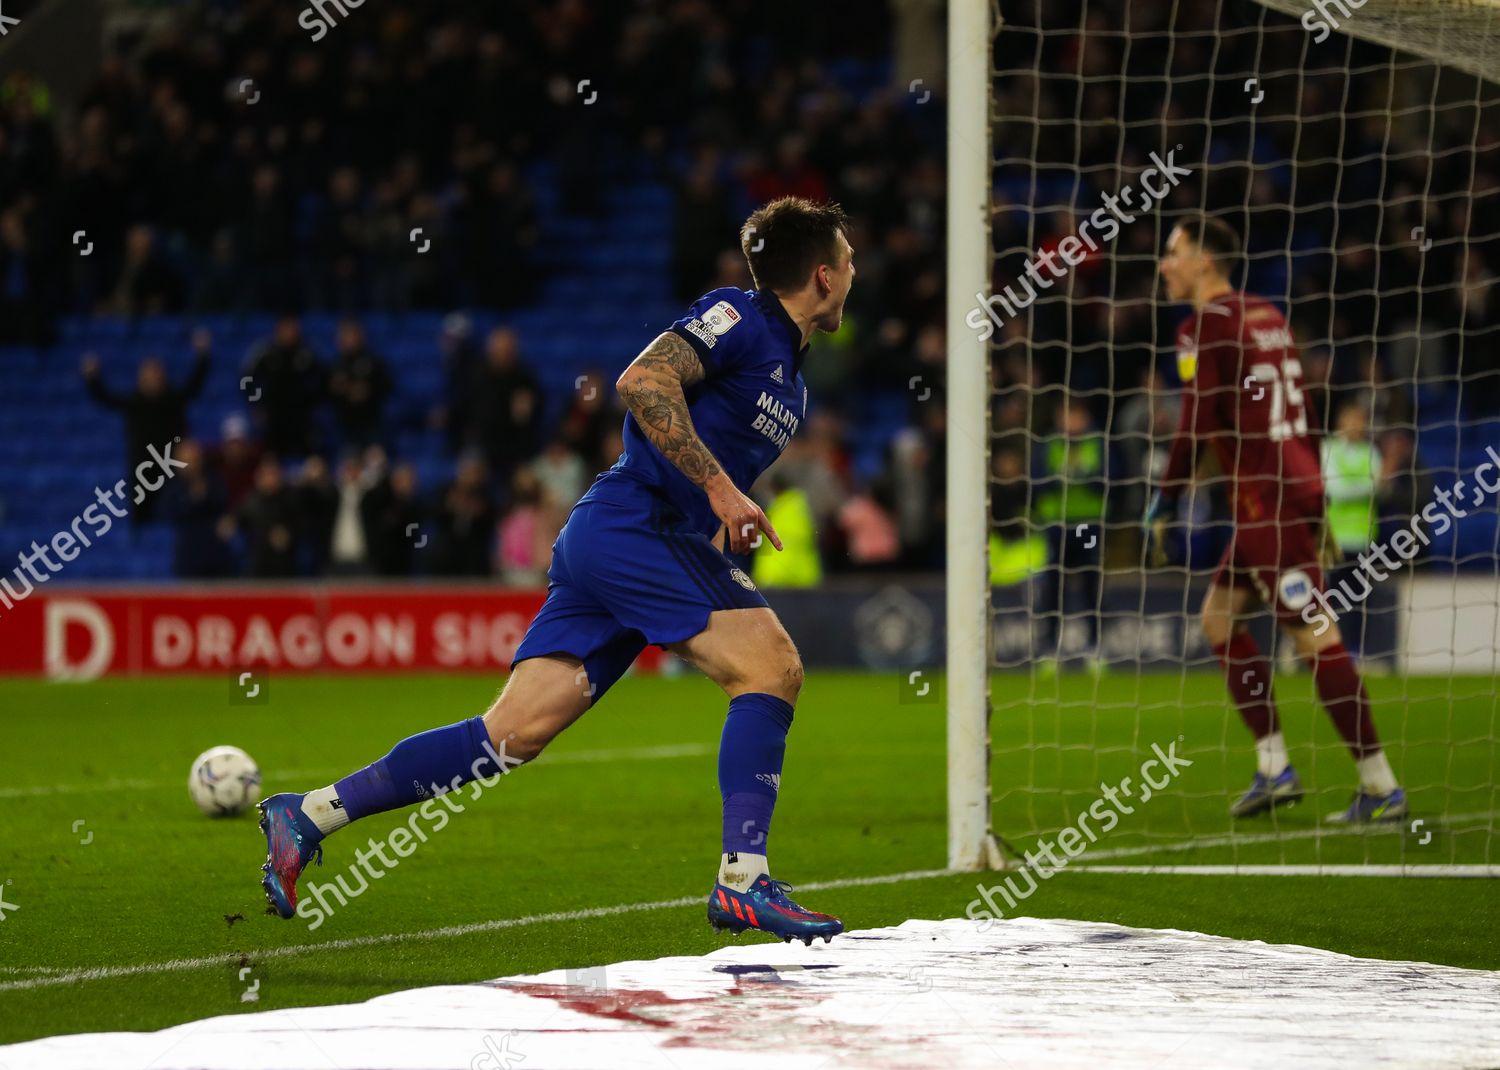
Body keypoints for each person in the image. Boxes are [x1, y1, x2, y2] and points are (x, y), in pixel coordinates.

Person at [258, 197, 853, 943]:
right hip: (637, 529)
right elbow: (640, 383)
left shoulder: (790, 375)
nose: (856, 272)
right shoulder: (741, 316)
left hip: (629, 538)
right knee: (773, 667)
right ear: (824, 276)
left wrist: (716, 506)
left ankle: (308, 813)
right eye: (850, 261)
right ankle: (743, 879)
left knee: (510, 734)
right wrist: (719, 489)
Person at [1147, 218, 1404, 822]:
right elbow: (1304, 404)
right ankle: (1273, 768)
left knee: (1316, 637)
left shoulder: (1202, 327)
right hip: (1288, 492)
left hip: (1268, 503)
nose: (1164, 266)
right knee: (1217, 620)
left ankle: (1380, 785)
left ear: (1205, 262)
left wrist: (1167, 495)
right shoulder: (1266, 314)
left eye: (1173, 254)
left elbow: (1197, 420)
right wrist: (1314, 493)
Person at [81, 328, 211, 524]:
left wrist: (203, 355)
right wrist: (92, 378)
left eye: (156, 373)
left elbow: (195, 385)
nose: (152, 378)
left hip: (173, 468)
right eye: (147, 374)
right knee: (142, 519)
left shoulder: (174, 398)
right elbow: (105, 398)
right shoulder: (133, 403)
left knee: (178, 515)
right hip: (142, 470)